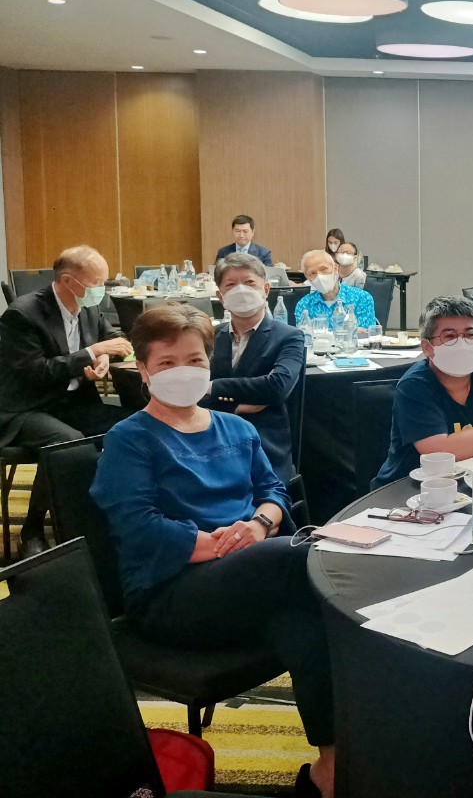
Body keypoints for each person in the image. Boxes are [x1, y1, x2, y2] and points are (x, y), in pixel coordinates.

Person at [89, 306, 333, 798]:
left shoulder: (236, 428)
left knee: (306, 619)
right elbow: (138, 526)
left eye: (194, 360)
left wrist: (259, 525)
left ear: (209, 364)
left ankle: (330, 770)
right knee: (305, 555)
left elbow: (274, 491)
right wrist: (227, 548)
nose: (183, 371)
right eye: (166, 363)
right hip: (170, 595)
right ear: (143, 371)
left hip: (250, 577)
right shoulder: (129, 439)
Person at [0, 245, 133, 554]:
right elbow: (35, 373)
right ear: (68, 282)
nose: (101, 289)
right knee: (67, 443)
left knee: (130, 425)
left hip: (70, 401)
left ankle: (97, 517)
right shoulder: (23, 314)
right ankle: (33, 529)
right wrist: (91, 353)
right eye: (96, 283)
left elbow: (112, 339)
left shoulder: (88, 307)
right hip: (26, 407)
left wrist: (103, 359)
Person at [372, 297, 473, 488]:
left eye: (470, 334)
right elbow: (439, 454)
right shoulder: (414, 385)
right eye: (449, 336)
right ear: (427, 348)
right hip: (410, 489)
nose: (462, 343)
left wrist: (465, 446)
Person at [201, 254, 306, 483]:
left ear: (266, 289)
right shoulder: (208, 336)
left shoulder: (289, 336)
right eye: (230, 285)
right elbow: (190, 392)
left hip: (263, 443)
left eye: (250, 283)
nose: (241, 290)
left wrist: (212, 387)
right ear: (220, 296)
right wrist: (235, 407)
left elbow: (277, 387)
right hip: (209, 438)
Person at [293, 249, 376, 330]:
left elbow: (366, 335)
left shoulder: (361, 298)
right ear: (307, 277)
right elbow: (304, 336)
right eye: (312, 273)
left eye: (323, 269)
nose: (319, 276)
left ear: (335, 268)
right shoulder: (304, 305)